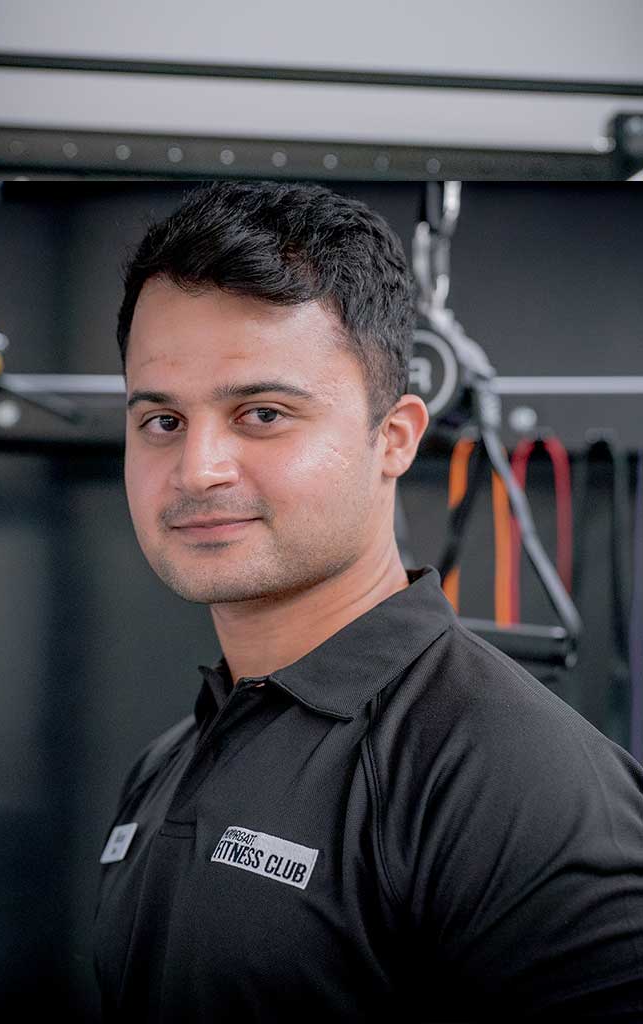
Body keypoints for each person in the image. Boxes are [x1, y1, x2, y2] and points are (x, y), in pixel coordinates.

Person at [93, 180, 643, 1022]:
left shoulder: (521, 784)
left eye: (263, 413)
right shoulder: (170, 757)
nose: (198, 468)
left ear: (394, 439)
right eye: (162, 421)